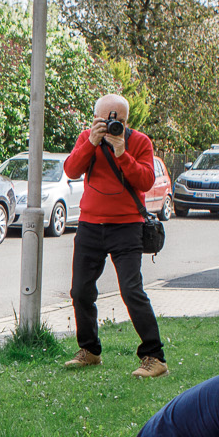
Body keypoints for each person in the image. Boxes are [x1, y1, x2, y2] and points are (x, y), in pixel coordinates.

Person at [62, 94, 166, 377]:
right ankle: (90, 351)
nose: (111, 124)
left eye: (117, 119)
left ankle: (154, 357)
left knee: (132, 290)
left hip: (127, 226)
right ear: (95, 117)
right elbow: (71, 169)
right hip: (90, 225)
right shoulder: (87, 137)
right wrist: (91, 143)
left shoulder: (140, 142)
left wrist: (122, 153)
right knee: (81, 291)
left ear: (126, 121)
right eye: (106, 118)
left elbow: (145, 181)